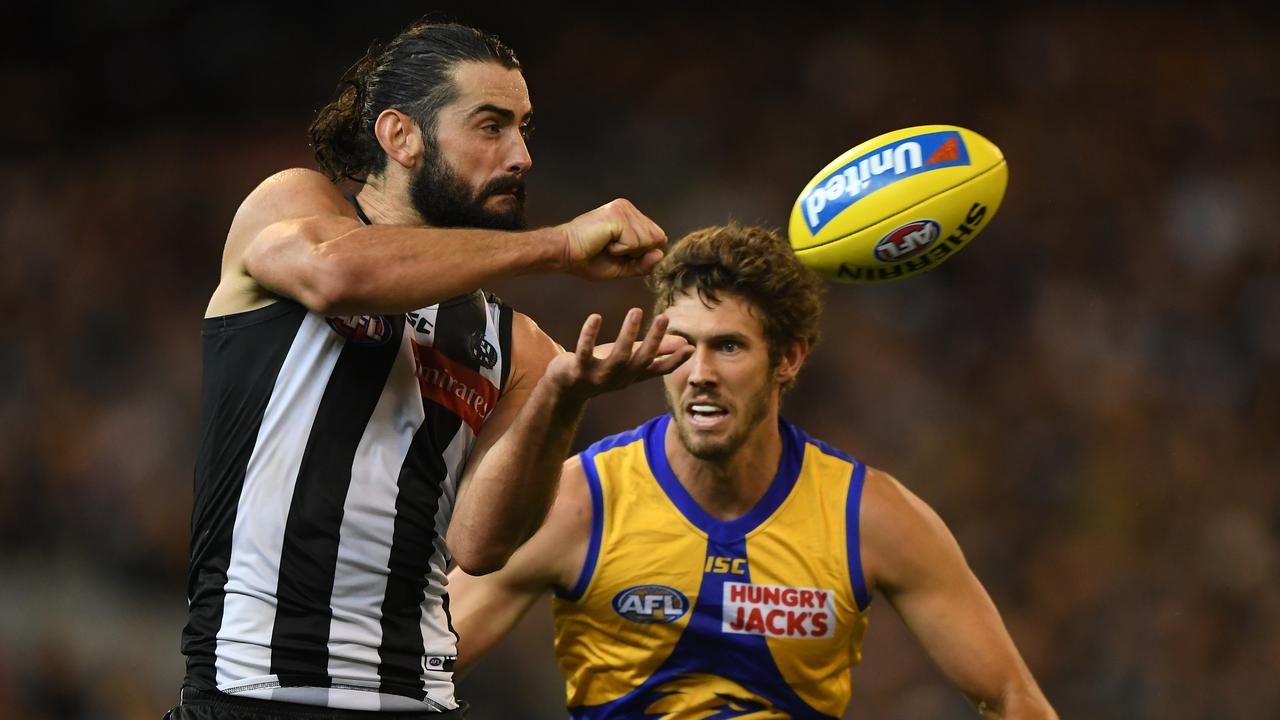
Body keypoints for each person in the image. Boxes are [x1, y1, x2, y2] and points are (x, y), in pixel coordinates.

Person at [170, 18, 692, 720]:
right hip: (256, 692)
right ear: (400, 136)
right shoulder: (291, 207)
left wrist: (566, 397)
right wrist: (559, 246)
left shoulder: (523, 348)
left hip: (421, 698)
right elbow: (336, 274)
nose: (521, 156)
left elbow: (481, 544)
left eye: (525, 129)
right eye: (490, 126)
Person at [448, 224, 1058, 719]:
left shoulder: (869, 516)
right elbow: (414, 666)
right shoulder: (580, 501)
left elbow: (1012, 698)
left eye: (729, 346)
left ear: (788, 358)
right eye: (681, 344)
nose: (700, 370)